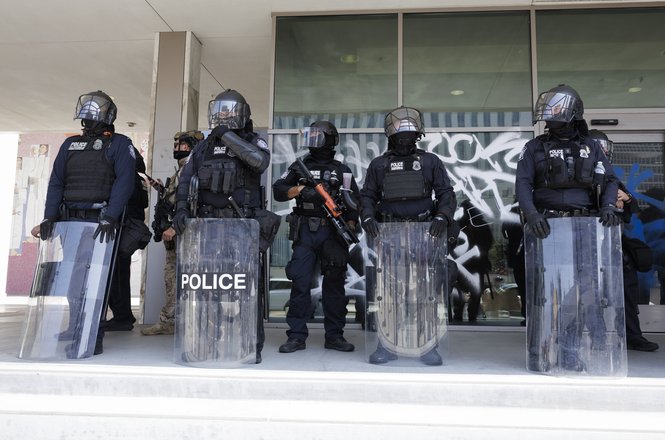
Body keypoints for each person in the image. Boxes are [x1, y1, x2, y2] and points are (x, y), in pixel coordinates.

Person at [516, 84, 621, 372]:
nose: (549, 120)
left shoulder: (591, 146)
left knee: (579, 294)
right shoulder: (534, 147)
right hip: (546, 228)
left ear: (572, 113)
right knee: (545, 294)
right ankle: (540, 352)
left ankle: (570, 352)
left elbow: (610, 180)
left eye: (555, 114)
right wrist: (531, 213)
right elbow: (523, 183)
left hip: (583, 228)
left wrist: (609, 206)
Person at [32, 90, 136, 355]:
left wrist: (111, 217)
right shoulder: (70, 145)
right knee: (74, 281)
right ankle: (77, 326)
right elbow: (56, 182)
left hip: (100, 224)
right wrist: (49, 217)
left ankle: (92, 336)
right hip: (70, 224)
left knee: (95, 282)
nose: (90, 113)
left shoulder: (120, 144)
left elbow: (125, 183)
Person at [173, 89, 271, 364]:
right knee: (207, 289)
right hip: (206, 227)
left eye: (230, 111)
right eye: (221, 111)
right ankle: (205, 344)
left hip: (240, 226)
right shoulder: (203, 146)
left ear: (242, 114)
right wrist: (181, 209)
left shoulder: (253, 140)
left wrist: (226, 134)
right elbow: (186, 180)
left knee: (246, 288)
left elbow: (259, 162)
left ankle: (250, 345)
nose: (224, 115)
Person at [360, 106, 456, 365]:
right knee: (389, 292)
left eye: (409, 129)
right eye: (399, 129)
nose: (405, 133)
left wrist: (442, 216)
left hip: (424, 233)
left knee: (425, 293)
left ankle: (427, 346)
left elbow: (446, 193)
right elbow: (368, 195)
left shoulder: (429, 161)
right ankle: (386, 345)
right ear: (390, 133)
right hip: (390, 235)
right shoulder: (379, 164)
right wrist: (367, 216)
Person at [272, 120, 360, 353]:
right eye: (311, 137)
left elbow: (354, 204)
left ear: (329, 140)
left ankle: (334, 336)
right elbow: (279, 190)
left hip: (333, 233)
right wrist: (300, 189)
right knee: (300, 283)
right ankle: (296, 336)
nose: (313, 142)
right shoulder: (298, 167)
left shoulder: (342, 171)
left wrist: (348, 227)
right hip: (305, 232)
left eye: (317, 137)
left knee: (334, 286)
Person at [588, 129, 658, 352]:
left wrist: (625, 198)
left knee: (627, 292)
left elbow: (632, 207)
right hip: (589, 246)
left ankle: (632, 336)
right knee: (591, 295)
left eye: (604, 148)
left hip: (615, 245)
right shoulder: (578, 178)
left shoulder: (611, 177)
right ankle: (596, 336)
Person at [141, 130, 202, 336]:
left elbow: (193, 205)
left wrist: (175, 227)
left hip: (184, 234)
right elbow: (176, 199)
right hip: (175, 236)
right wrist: (161, 189)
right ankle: (170, 321)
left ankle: (187, 323)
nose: (176, 148)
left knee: (188, 280)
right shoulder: (183, 169)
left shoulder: (193, 170)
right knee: (172, 280)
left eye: (181, 145)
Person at [104, 146, 150, 332]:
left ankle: (122, 317)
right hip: (125, 231)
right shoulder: (138, 179)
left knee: (116, 276)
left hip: (122, 229)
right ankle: (122, 315)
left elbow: (121, 202)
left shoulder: (127, 178)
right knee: (119, 274)